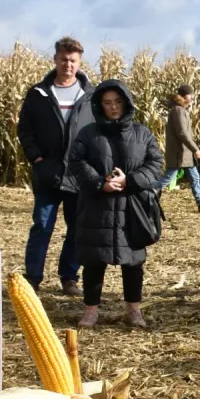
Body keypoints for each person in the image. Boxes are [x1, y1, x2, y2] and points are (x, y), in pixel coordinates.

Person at [68, 80, 163, 330]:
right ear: (100, 105)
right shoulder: (88, 134)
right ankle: (91, 311)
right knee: (94, 260)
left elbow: (155, 165)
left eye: (118, 102)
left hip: (133, 207)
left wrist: (129, 181)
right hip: (96, 207)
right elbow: (76, 162)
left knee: (133, 262)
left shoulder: (142, 133)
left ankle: (134, 310)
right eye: (107, 103)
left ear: (127, 103)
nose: (113, 107)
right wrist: (100, 183)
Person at [17, 36, 95, 297]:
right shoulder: (38, 93)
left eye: (73, 61)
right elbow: (24, 129)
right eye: (64, 59)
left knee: (77, 228)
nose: (68, 65)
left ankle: (69, 277)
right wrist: (36, 158)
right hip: (48, 173)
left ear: (79, 62)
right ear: (55, 59)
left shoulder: (90, 96)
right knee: (41, 225)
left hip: (77, 175)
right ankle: (34, 278)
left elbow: (98, 133)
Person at [156, 84, 200, 212]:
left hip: (185, 154)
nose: (192, 97)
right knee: (168, 178)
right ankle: (148, 197)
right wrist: (196, 149)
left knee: (195, 178)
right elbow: (182, 133)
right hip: (179, 153)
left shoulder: (180, 110)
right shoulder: (178, 110)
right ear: (182, 96)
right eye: (190, 94)